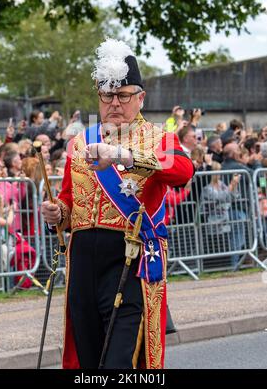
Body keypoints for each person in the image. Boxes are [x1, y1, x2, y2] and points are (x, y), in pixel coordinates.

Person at [41, 38, 194, 370]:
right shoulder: (81, 142)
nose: (114, 103)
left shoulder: (159, 138)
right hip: (82, 259)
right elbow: (69, 200)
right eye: (107, 95)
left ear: (140, 98)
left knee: (120, 359)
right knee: (88, 355)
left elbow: (183, 171)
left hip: (129, 256)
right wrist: (58, 212)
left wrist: (124, 156)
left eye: (123, 96)